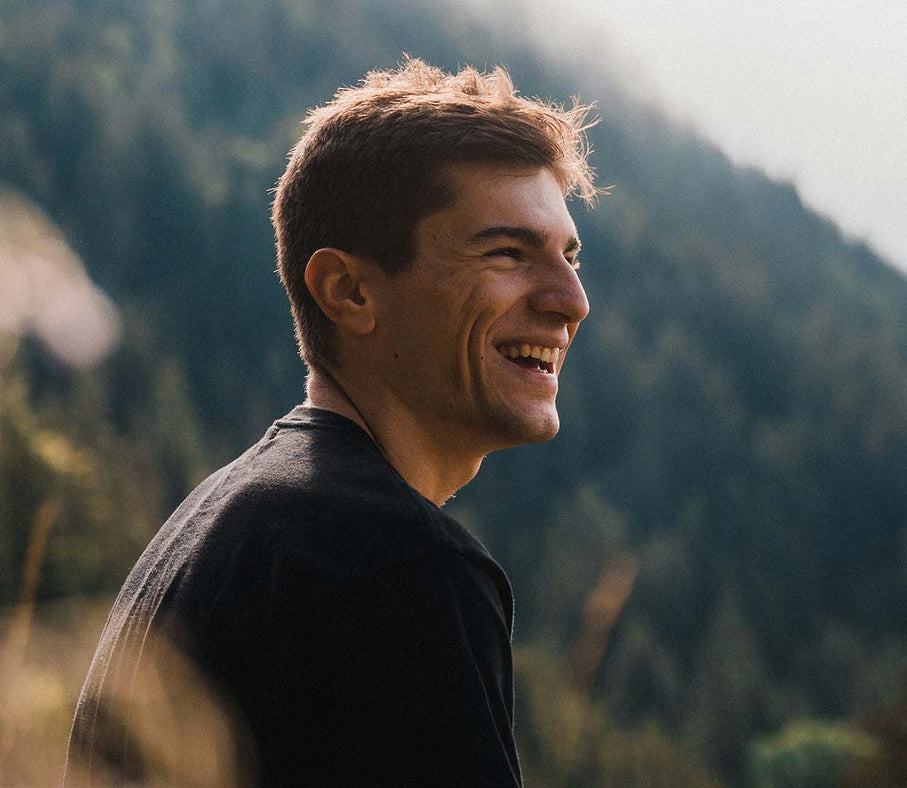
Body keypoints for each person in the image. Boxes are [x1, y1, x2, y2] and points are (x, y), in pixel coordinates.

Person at [64, 58, 597, 787]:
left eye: (570, 256)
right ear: (347, 291)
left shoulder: (227, 519)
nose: (572, 301)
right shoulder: (395, 564)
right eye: (508, 251)